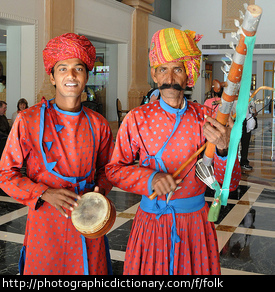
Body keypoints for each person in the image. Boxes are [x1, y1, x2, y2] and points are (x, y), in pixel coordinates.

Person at [106, 28, 241, 275]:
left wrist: (223, 149)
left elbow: (230, 184)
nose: (169, 77)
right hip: (151, 223)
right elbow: (114, 171)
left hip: (196, 225)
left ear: (188, 75)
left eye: (177, 69)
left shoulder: (207, 118)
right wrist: (150, 178)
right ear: (154, 76)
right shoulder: (136, 119)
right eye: (162, 69)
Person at [0, 33, 114, 275]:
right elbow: (5, 175)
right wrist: (42, 192)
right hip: (45, 223)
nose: (71, 75)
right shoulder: (28, 120)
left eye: (78, 69)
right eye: (62, 68)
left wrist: (98, 194)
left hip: (88, 225)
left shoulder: (98, 123)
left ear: (86, 77)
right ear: (52, 77)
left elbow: (107, 169)